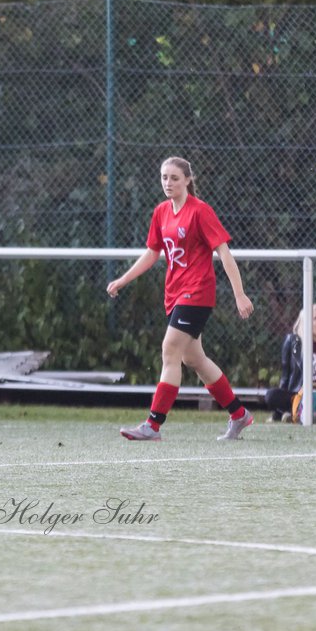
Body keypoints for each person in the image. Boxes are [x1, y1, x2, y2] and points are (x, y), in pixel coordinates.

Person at [106, 156, 255, 441]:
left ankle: (153, 425)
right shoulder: (161, 212)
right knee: (194, 359)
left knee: (170, 350)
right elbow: (152, 253)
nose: (168, 182)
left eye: (174, 177)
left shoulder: (200, 211)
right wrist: (123, 280)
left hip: (197, 292)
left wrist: (239, 294)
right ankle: (239, 415)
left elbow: (224, 252)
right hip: (175, 294)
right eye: (164, 177)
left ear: (187, 180)